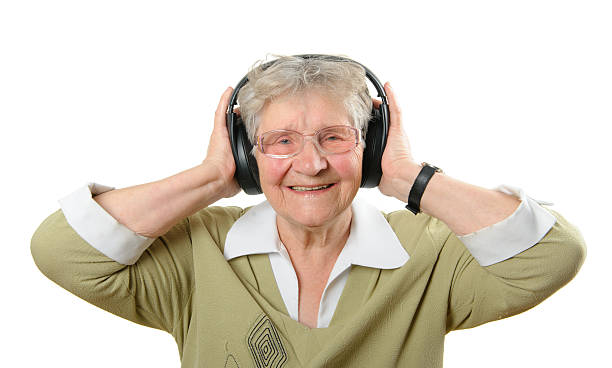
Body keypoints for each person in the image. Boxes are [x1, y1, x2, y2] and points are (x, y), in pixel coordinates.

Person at [31, 54, 586, 367]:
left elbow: (553, 255)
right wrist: (210, 178)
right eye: (280, 142)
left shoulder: (431, 251)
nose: (312, 163)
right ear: (248, 157)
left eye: (334, 137)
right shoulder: (197, 250)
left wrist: (408, 179)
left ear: (368, 149)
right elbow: (61, 251)